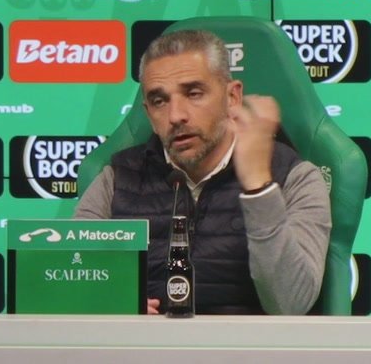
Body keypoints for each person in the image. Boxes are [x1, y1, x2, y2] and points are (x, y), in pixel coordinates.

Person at [74, 29, 331, 315]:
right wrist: (115, 303)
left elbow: (292, 304)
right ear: (148, 114)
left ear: (232, 97)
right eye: (159, 101)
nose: (176, 116)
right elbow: (73, 284)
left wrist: (259, 188)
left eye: (193, 93)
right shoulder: (116, 180)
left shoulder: (296, 178)